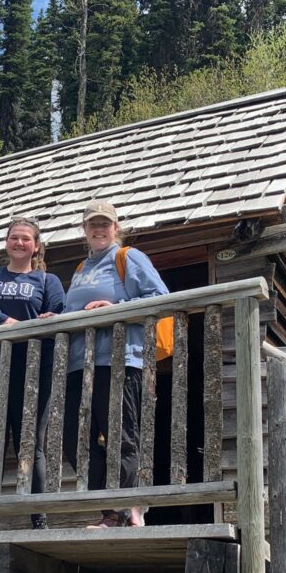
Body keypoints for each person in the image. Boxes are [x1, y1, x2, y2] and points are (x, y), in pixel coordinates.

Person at [62, 201, 168, 528]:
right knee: (74, 439)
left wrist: (116, 307)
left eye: (104, 224)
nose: (99, 229)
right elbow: (75, 310)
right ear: (84, 230)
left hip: (118, 360)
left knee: (121, 436)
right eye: (92, 224)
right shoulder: (81, 268)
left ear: (115, 227)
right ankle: (115, 504)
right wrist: (59, 317)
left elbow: (160, 297)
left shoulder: (127, 257)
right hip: (79, 364)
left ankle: (120, 511)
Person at [0, 217, 65, 532]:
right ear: (6, 243)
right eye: (14, 238)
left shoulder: (47, 280)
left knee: (30, 442)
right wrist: (2, 320)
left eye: (25, 239)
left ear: (36, 246)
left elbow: (58, 313)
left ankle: (38, 518)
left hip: (34, 369)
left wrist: (41, 322)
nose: (19, 243)